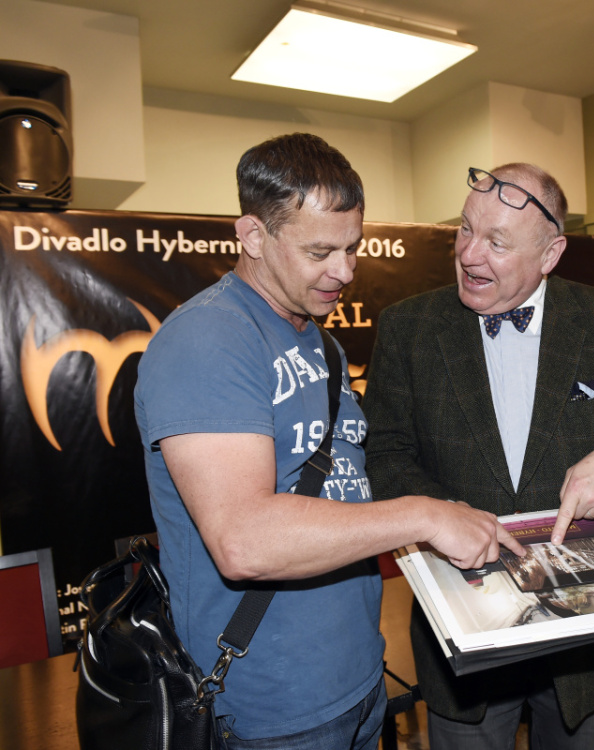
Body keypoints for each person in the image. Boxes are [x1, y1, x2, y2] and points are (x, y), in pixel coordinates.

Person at [134, 133, 524, 749]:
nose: (344, 272)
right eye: (320, 251)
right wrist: (424, 515)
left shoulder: (324, 343)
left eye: (352, 248)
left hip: (357, 677)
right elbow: (244, 540)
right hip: (270, 704)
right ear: (253, 235)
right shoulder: (208, 339)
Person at [362, 163, 594, 749]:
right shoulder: (408, 328)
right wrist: (441, 515)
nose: (469, 254)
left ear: (550, 254)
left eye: (497, 242)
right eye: (466, 229)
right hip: (466, 623)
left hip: (585, 636)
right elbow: (384, 453)